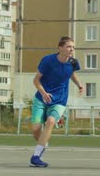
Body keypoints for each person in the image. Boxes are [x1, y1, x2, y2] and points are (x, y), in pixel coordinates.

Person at [29, 36, 84, 167]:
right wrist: (44, 93)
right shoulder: (48, 60)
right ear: (60, 48)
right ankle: (43, 143)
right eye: (69, 46)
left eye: (73, 47)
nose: (72, 49)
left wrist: (80, 85)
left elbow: (71, 74)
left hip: (59, 101)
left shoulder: (73, 63)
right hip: (41, 98)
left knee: (51, 121)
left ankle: (36, 156)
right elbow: (36, 80)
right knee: (36, 129)